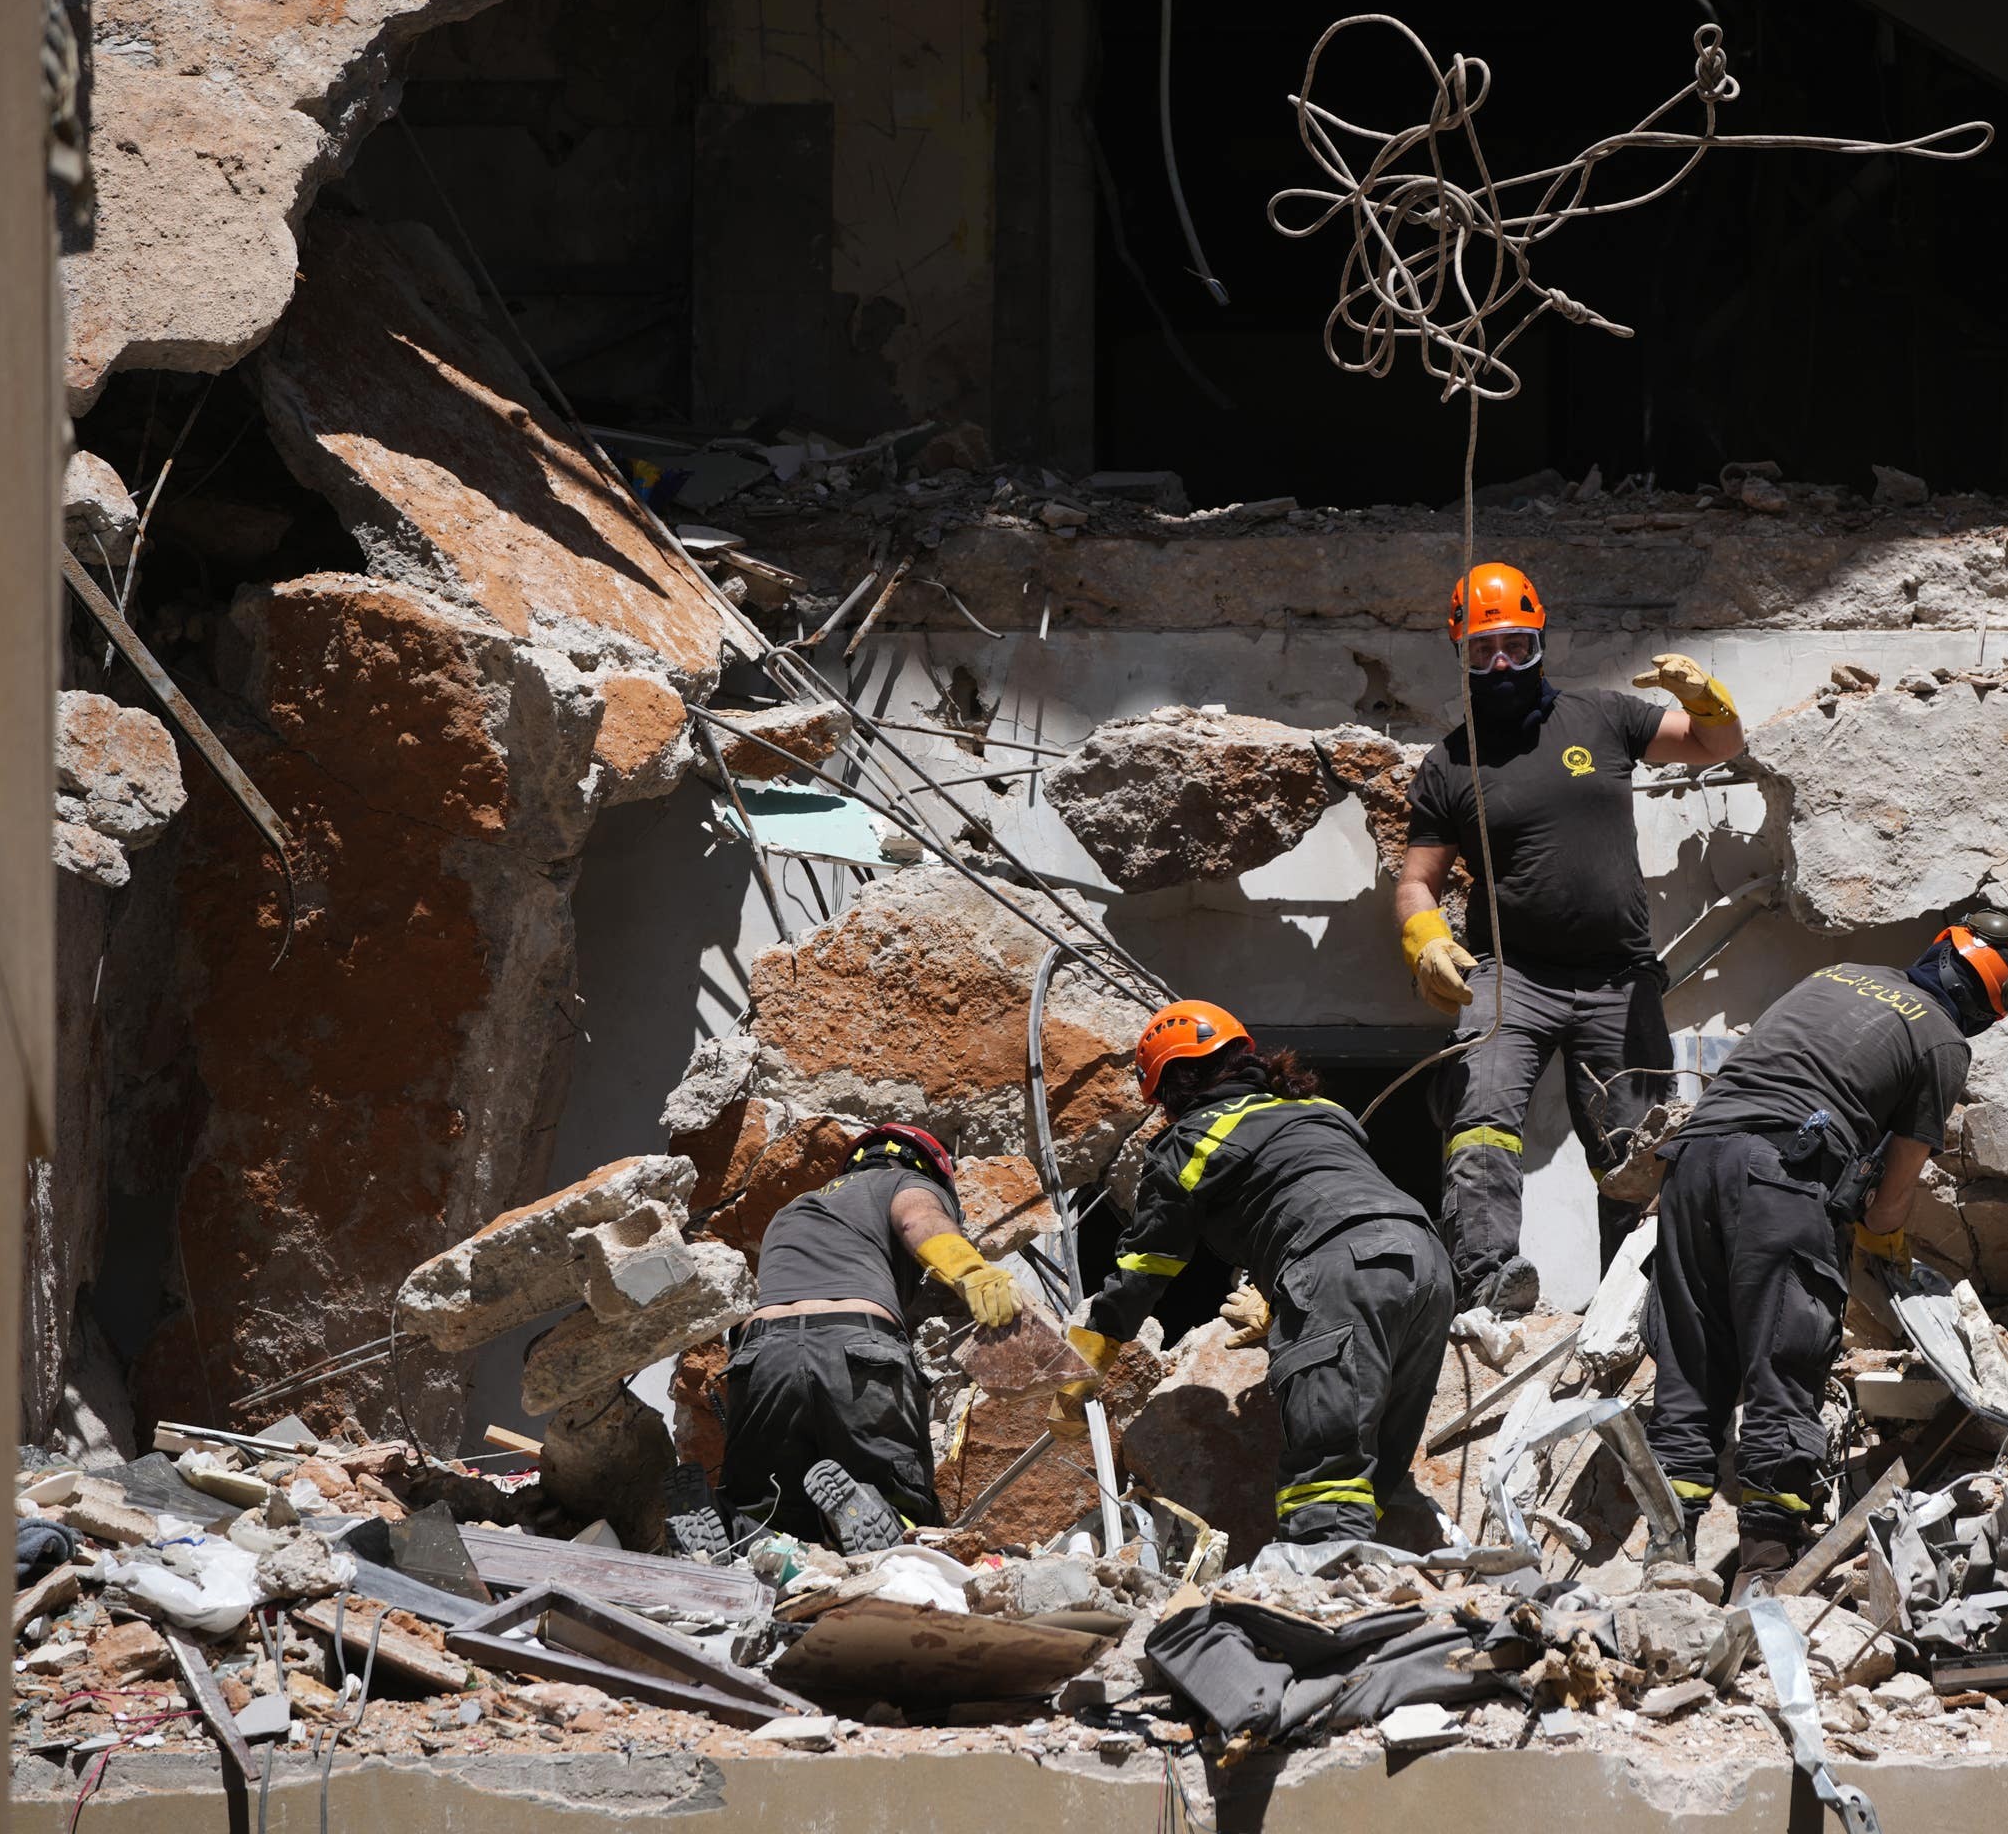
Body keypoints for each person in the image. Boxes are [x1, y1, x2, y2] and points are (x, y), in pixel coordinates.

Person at [1642, 913, 2008, 1599]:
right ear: (1983, 1009)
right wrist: (1883, 1241)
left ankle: (1665, 1558)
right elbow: (1897, 1187)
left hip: (1691, 1164)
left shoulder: (1836, 976)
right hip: (1781, 1181)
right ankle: (1765, 1571)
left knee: (1690, 1358)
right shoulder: (1942, 1040)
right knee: (1784, 1365)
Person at [1395, 561, 1748, 1315]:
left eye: (1516, 647)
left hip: (1619, 979)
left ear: (1541, 642)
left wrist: (1705, 697)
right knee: (1479, 1117)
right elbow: (1416, 880)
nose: (1500, 665)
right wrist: (1423, 934)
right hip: (1509, 975)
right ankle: (1490, 1281)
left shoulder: (1603, 717)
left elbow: (1716, 745)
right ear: (1460, 654)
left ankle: (1641, 1306)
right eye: (1483, 651)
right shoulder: (1449, 764)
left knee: (1637, 1149)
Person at [1069, 1001, 1456, 1545]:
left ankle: (1321, 1597)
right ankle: (1381, 1591)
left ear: (1174, 1086)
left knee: (1327, 1468)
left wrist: (1093, 1349)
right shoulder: (1318, 1110)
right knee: (1380, 1462)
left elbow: (1148, 1263)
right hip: (1428, 1263)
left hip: (1337, 1268)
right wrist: (1282, 1305)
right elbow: (1322, 1197)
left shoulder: (1194, 1137)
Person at [704, 1122, 1019, 1556]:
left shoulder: (795, 1209)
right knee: (900, 1506)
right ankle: (885, 1515)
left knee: (772, 1513)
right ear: (930, 1169)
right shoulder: (903, 1181)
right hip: (855, 1346)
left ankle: (732, 1532)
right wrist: (970, 1271)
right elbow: (918, 1218)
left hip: (760, 1355)